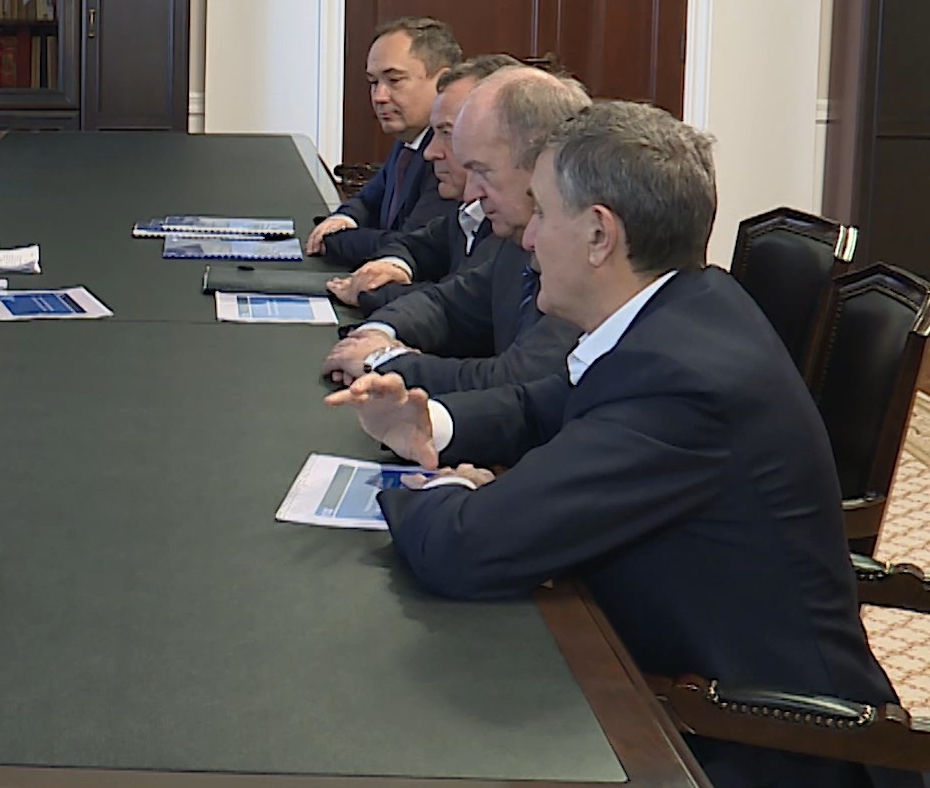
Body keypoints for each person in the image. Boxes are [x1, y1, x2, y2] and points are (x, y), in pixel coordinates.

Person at [328, 101, 922, 788]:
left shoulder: (682, 384)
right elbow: (542, 404)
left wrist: (447, 490)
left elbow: (464, 547)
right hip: (676, 679)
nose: (527, 238)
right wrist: (428, 427)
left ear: (598, 234)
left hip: (760, 746)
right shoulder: (690, 305)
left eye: (542, 213)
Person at [321, 67, 586, 393]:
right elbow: (446, 305)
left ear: (541, 163)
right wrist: (377, 333)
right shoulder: (515, 243)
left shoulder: (580, 259)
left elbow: (517, 381)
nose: (471, 192)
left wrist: (382, 359)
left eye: (483, 171)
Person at [327, 54, 518, 312]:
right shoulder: (469, 212)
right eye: (373, 82)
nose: (430, 152)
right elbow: (416, 245)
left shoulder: (516, 225)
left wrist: (371, 291)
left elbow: (461, 304)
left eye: (448, 133)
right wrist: (393, 265)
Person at [305, 17, 463, 266]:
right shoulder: (408, 140)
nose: (379, 96)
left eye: (394, 80)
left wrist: (334, 240)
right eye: (373, 82)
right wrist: (343, 219)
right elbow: (368, 200)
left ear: (442, 82)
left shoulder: (448, 154)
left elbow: (410, 244)